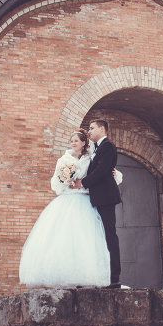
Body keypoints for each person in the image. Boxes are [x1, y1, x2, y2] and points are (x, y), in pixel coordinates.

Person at [18, 130, 111, 287]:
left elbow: (99, 175)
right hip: (67, 200)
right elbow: (55, 181)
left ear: (83, 143)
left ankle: (85, 276)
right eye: (71, 141)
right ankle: (64, 276)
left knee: (85, 238)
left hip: (84, 200)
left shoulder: (91, 159)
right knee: (64, 237)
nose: (73, 143)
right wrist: (64, 182)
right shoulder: (63, 160)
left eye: (76, 141)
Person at [72, 119, 123, 288]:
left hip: (106, 197)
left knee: (109, 235)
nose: (90, 131)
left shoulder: (107, 146)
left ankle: (114, 277)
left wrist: (83, 183)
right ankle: (103, 274)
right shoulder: (97, 148)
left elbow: (102, 170)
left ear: (102, 129)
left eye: (92, 128)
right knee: (101, 236)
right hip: (97, 198)